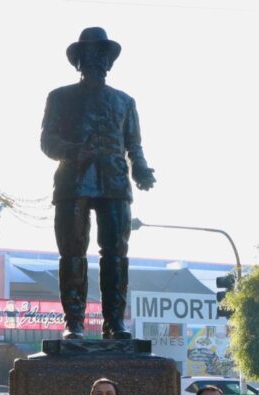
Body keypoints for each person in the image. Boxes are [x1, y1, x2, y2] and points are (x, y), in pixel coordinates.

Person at [40, 27, 156, 340]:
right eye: (90, 55)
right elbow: (47, 142)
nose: (97, 62)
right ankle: (74, 321)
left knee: (117, 254)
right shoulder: (60, 97)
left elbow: (134, 144)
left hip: (115, 184)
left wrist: (141, 170)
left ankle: (114, 321)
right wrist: (73, 152)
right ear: (79, 61)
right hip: (73, 182)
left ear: (109, 62)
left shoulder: (124, 101)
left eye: (102, 55)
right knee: (73, 253)